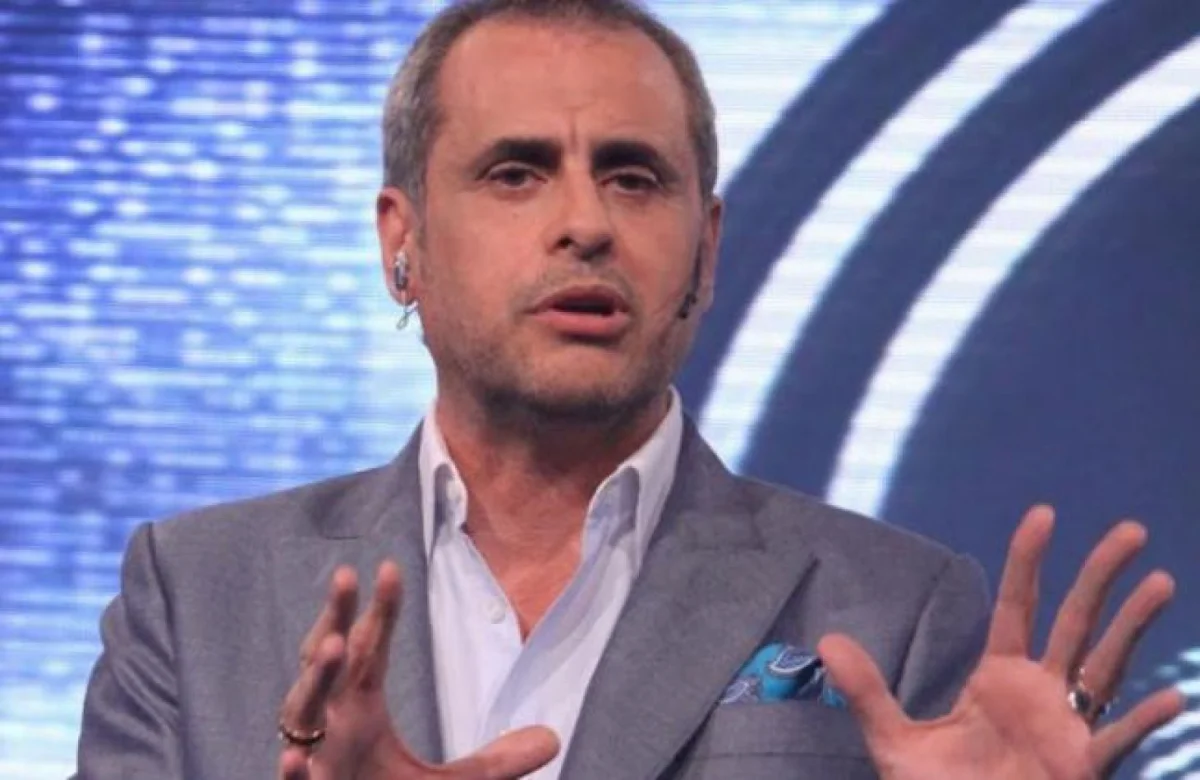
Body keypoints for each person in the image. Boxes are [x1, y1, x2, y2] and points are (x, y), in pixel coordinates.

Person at [74, 1, 1184, 778]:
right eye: (516, 172)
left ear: (707, 247)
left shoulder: (896, 609)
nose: (586, 223)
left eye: (634, 176)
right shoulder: (197, 594)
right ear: (401, 243)